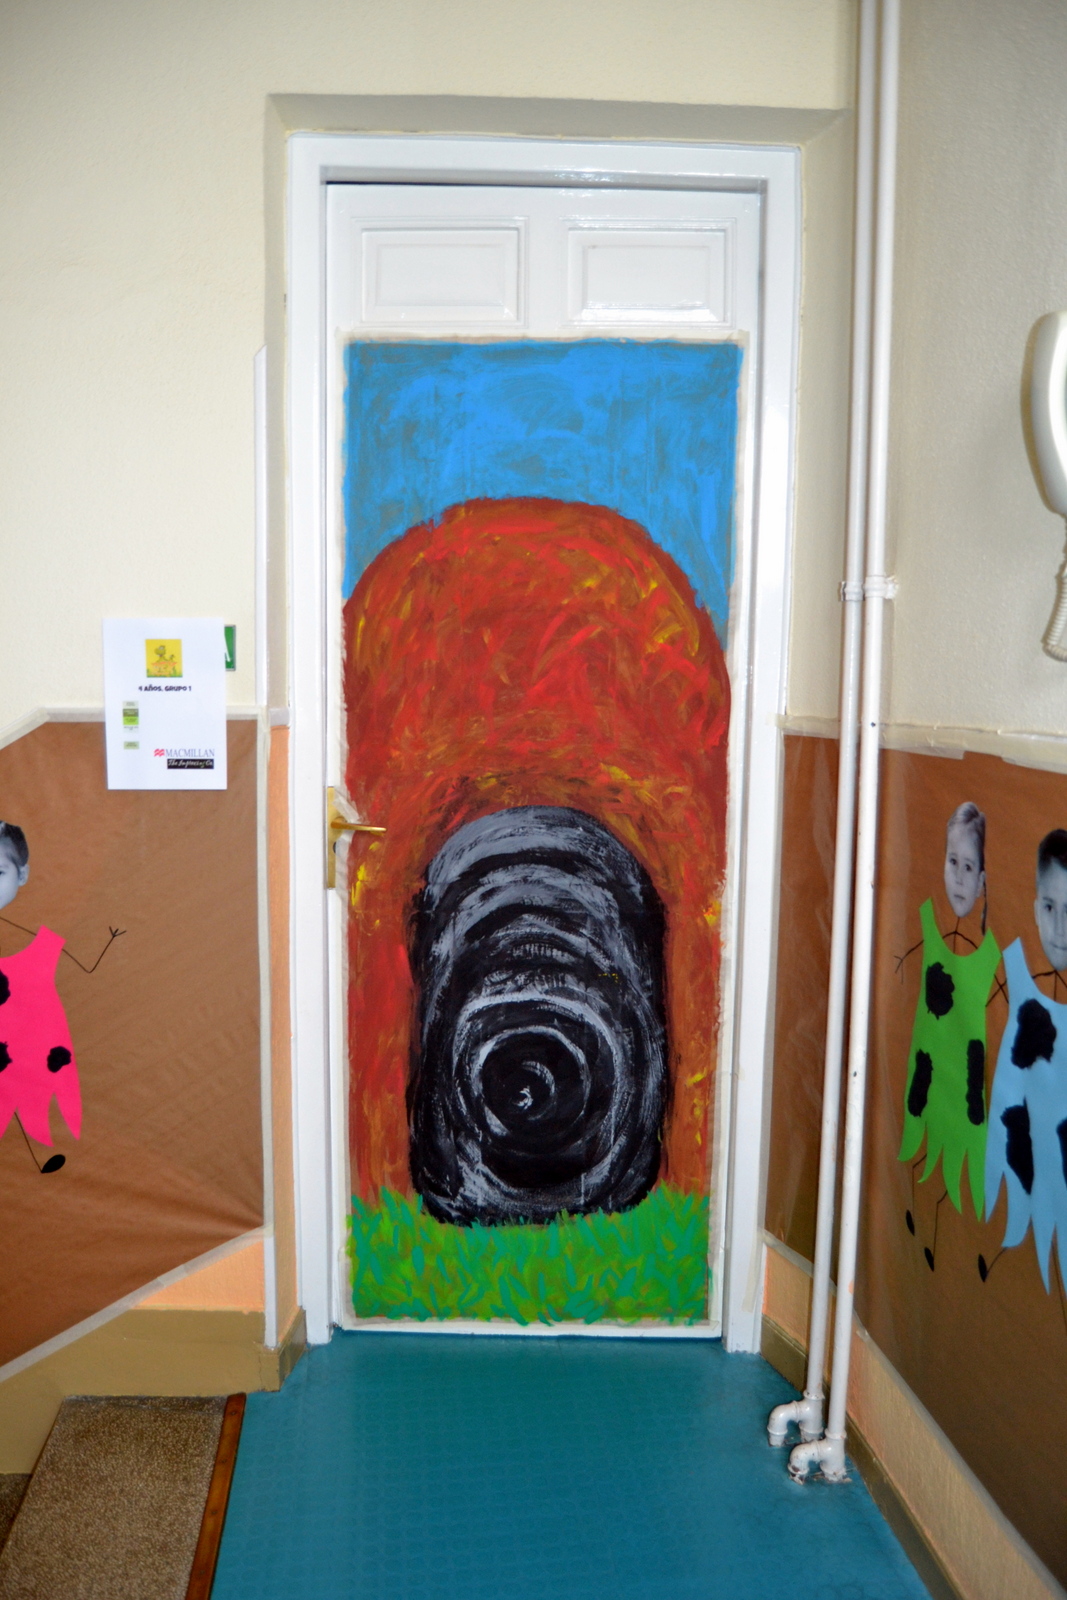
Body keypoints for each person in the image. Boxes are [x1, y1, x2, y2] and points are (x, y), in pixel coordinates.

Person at [898, 804, 1001, 1248]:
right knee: (924, 1157)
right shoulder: (928, 928)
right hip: (928, 1081)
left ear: (982, 881)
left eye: (968, 867)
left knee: (959, 1172)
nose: (958, 877)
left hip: (963, 1094)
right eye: (952, 862)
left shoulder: (990, 958)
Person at [0, 821, 122, 1173]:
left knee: (29, 1102)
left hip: (31, 1044)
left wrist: (109, 941)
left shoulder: (44, 941)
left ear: (23, 875)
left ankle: (38, 1155)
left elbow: (85, 969)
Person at [984, 830, 1067, 1292]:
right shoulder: (1018, 983)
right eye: (1051, 909)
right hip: (1030, 1170)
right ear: (1036, 910)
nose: (1060, 928)